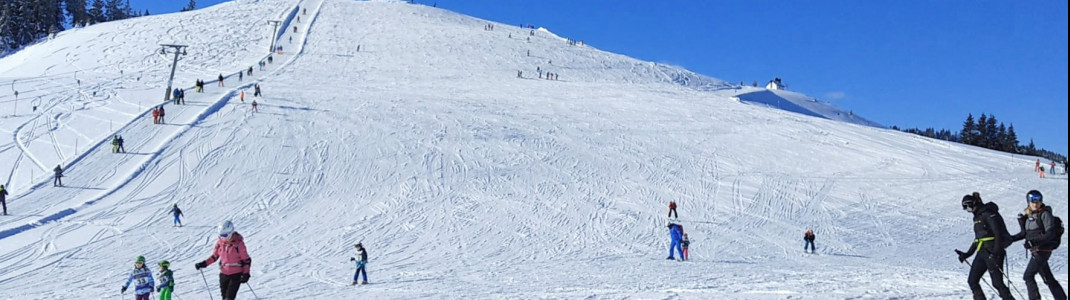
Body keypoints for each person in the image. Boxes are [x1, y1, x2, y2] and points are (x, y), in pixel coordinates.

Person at [955, 192, 1014, 300]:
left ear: (974, 202)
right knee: (972, 280)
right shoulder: (976, 217)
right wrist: (967, 254)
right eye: (965, 207)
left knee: (997, 283)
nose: (967, 209)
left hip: (993, 251)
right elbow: (978, 238)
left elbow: (998, 233)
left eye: (968, 205)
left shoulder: (988, 213)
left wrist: (995, 253)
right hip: (982, 252)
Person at [1011, 190, 1066, 300]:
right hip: (1036, 250)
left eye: (1038, 201)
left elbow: (1050, 234)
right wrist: (1009, 239)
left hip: (1043, 250)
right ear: (1028, 202)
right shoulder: (1029, 216)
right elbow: (1025, 234)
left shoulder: (1045, 214)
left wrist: (1033, 242)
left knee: (1028, 276)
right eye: (1033, 201)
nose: (1035, 204)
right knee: (1048, 279)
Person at [195, 220, 251, 300]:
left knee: (229, 298)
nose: (223, 238)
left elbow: (246, 260)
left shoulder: (238, 243)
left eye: (225, 235)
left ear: (231, 232)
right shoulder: (220, 243)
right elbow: (215, 256)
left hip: (235, 274)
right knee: (224, 298)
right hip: (223, 274)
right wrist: (204, 264)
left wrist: (246, 274)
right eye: (221, 235)